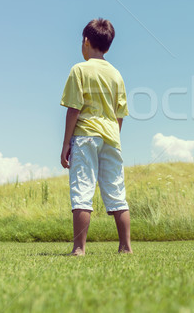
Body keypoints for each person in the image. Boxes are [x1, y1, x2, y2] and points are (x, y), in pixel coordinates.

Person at [60, 18, 132, 255]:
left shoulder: (79, 70)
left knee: (82, 191)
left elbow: (74, 108)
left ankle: (79, 249)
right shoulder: (116, 75)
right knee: (116, 193)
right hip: (112, 138)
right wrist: (112, 137)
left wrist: (65, 144)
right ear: (108, 47)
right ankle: (125, 247)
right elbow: (120, 113)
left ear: (86, 41)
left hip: (85, 136)